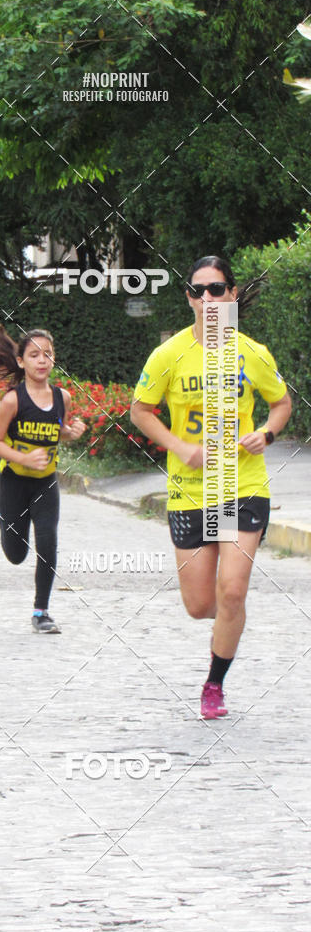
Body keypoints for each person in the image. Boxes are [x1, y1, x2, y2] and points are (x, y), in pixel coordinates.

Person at [130, 256, 291, 718]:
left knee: (232, 592)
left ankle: (214, 684)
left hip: (241, 485)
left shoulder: (253, 352)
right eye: (198, 290)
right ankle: (229, 621)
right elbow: (140, 410)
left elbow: (281, 404)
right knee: (201, 605)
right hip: (190, 489)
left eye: (217, 289)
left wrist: (266, 434)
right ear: (188, 298)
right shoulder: (169, 355)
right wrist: (179, 446)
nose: (208, 298)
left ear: (232, 295)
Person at [0, 324, 86, 633]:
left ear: (54, 359)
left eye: (47, 354)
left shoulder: (62, 397)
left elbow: (58, 432)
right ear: (21, 361)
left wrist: (71, 433)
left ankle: (41, 612)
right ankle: (2, 515)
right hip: (14, 481)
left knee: (48, 542)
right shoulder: (13, 400)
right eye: (34, 355)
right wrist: (23, 458)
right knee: (16, 554)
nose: (42, 360)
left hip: (45, 482)